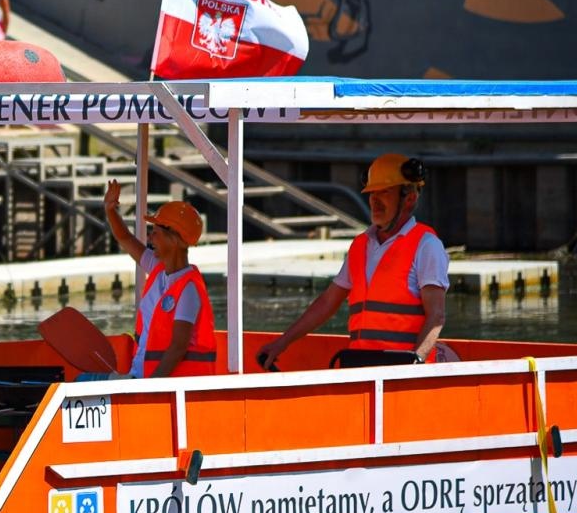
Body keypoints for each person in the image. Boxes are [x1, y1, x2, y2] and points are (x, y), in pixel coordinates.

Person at [256, 154, 451, 370]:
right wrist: (281, 343)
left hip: (401, 372)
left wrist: (415, 363)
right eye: (372, 193)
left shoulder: (426, 246)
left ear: (410, 199)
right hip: (360, 368)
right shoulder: (360, 245)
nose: (375, 200)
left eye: (384, 192)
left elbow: (436, 316)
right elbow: (327, 303)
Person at [102, 183, 219, 378]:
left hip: (155, 385)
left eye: (155, 233)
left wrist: (151, 388)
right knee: (80, 381)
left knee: (80, 381)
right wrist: (110, 210)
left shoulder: (189, 290)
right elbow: (125, 238)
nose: (150, 238)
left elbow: (178, 348)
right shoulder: (156, 267)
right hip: (138, 377)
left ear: (174, 239)